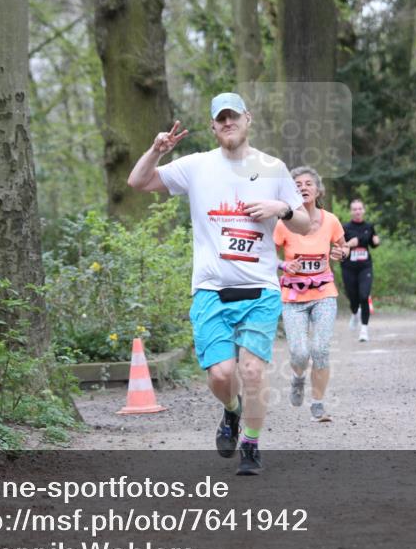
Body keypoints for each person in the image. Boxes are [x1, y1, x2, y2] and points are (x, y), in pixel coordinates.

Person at [127, 92, 309, 476]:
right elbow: (138, 182)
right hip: (211, 289)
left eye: (234, 117)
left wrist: (282, 209)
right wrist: (155, 150)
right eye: (220, 119)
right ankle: (231, 412)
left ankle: (252, 445)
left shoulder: (273, 168)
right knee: (223, 375)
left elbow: (304, 223)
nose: (228, 124)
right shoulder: (196, 166)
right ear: (213, 127)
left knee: (253, 371)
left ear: (248, 119)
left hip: (260, 290)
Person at [274, 167, 348, 422]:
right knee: (299, 352)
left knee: (320, 349)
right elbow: (265, 256)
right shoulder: (283, 224)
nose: (303, 187)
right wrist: (283, 265)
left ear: (318, 190)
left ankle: (318, 403)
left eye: (308, 184)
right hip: (293, 298)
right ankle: (297, 378)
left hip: (324, 294)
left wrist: (342, 252)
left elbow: (343, 246)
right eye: (297, 185)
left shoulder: (331, 220)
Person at [340, 199, 380, 342]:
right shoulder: (345, 228)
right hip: (348, 267)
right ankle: (354, 313)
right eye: (354, 209)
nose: (357, 211)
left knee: (364, 296)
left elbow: (373, 243)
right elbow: (340, 248)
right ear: (351, 211)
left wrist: (376, 241)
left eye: (359, 209)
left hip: (365, 266)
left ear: (363, 210)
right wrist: (349, 244)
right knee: (353, 298)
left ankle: (364, 330)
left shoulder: (369, 226)